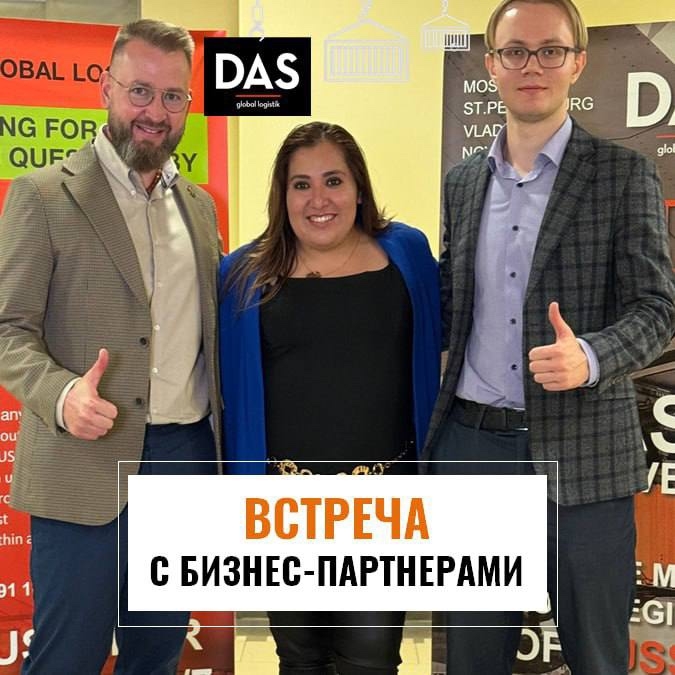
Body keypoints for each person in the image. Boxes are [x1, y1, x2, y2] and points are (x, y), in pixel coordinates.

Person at [423, 0, 675, 673]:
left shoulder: (623, 174)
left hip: (583, 451)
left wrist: (589, 356)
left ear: (577, 63)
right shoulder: (463, 183)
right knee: (471, 659)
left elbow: (657, 308)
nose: (531, 65)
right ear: (491, 64)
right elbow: (451, 300)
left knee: (597, 658)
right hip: (473, 450)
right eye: (515, 51)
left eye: (550, 50)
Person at [0, 19, 222, 674]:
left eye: (173, 96)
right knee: (68, 656)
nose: (155, 111)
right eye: (140, 91)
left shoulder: (201, 207)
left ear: (188, 103)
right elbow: (8, 328)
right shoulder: (43, 195)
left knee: (156, 653)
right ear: (106, 89)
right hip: (81, 459)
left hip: (182, 458)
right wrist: (62, 393)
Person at [219, 121, 440, 675]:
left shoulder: (407, 254)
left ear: (359, 188)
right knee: (299, 658)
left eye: (333, 181)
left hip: (384, 506)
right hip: (282, 508)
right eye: (301, 184)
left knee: (370, 658)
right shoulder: (242, 274)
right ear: (283, 195)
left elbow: (449, 343)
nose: (319, 199)